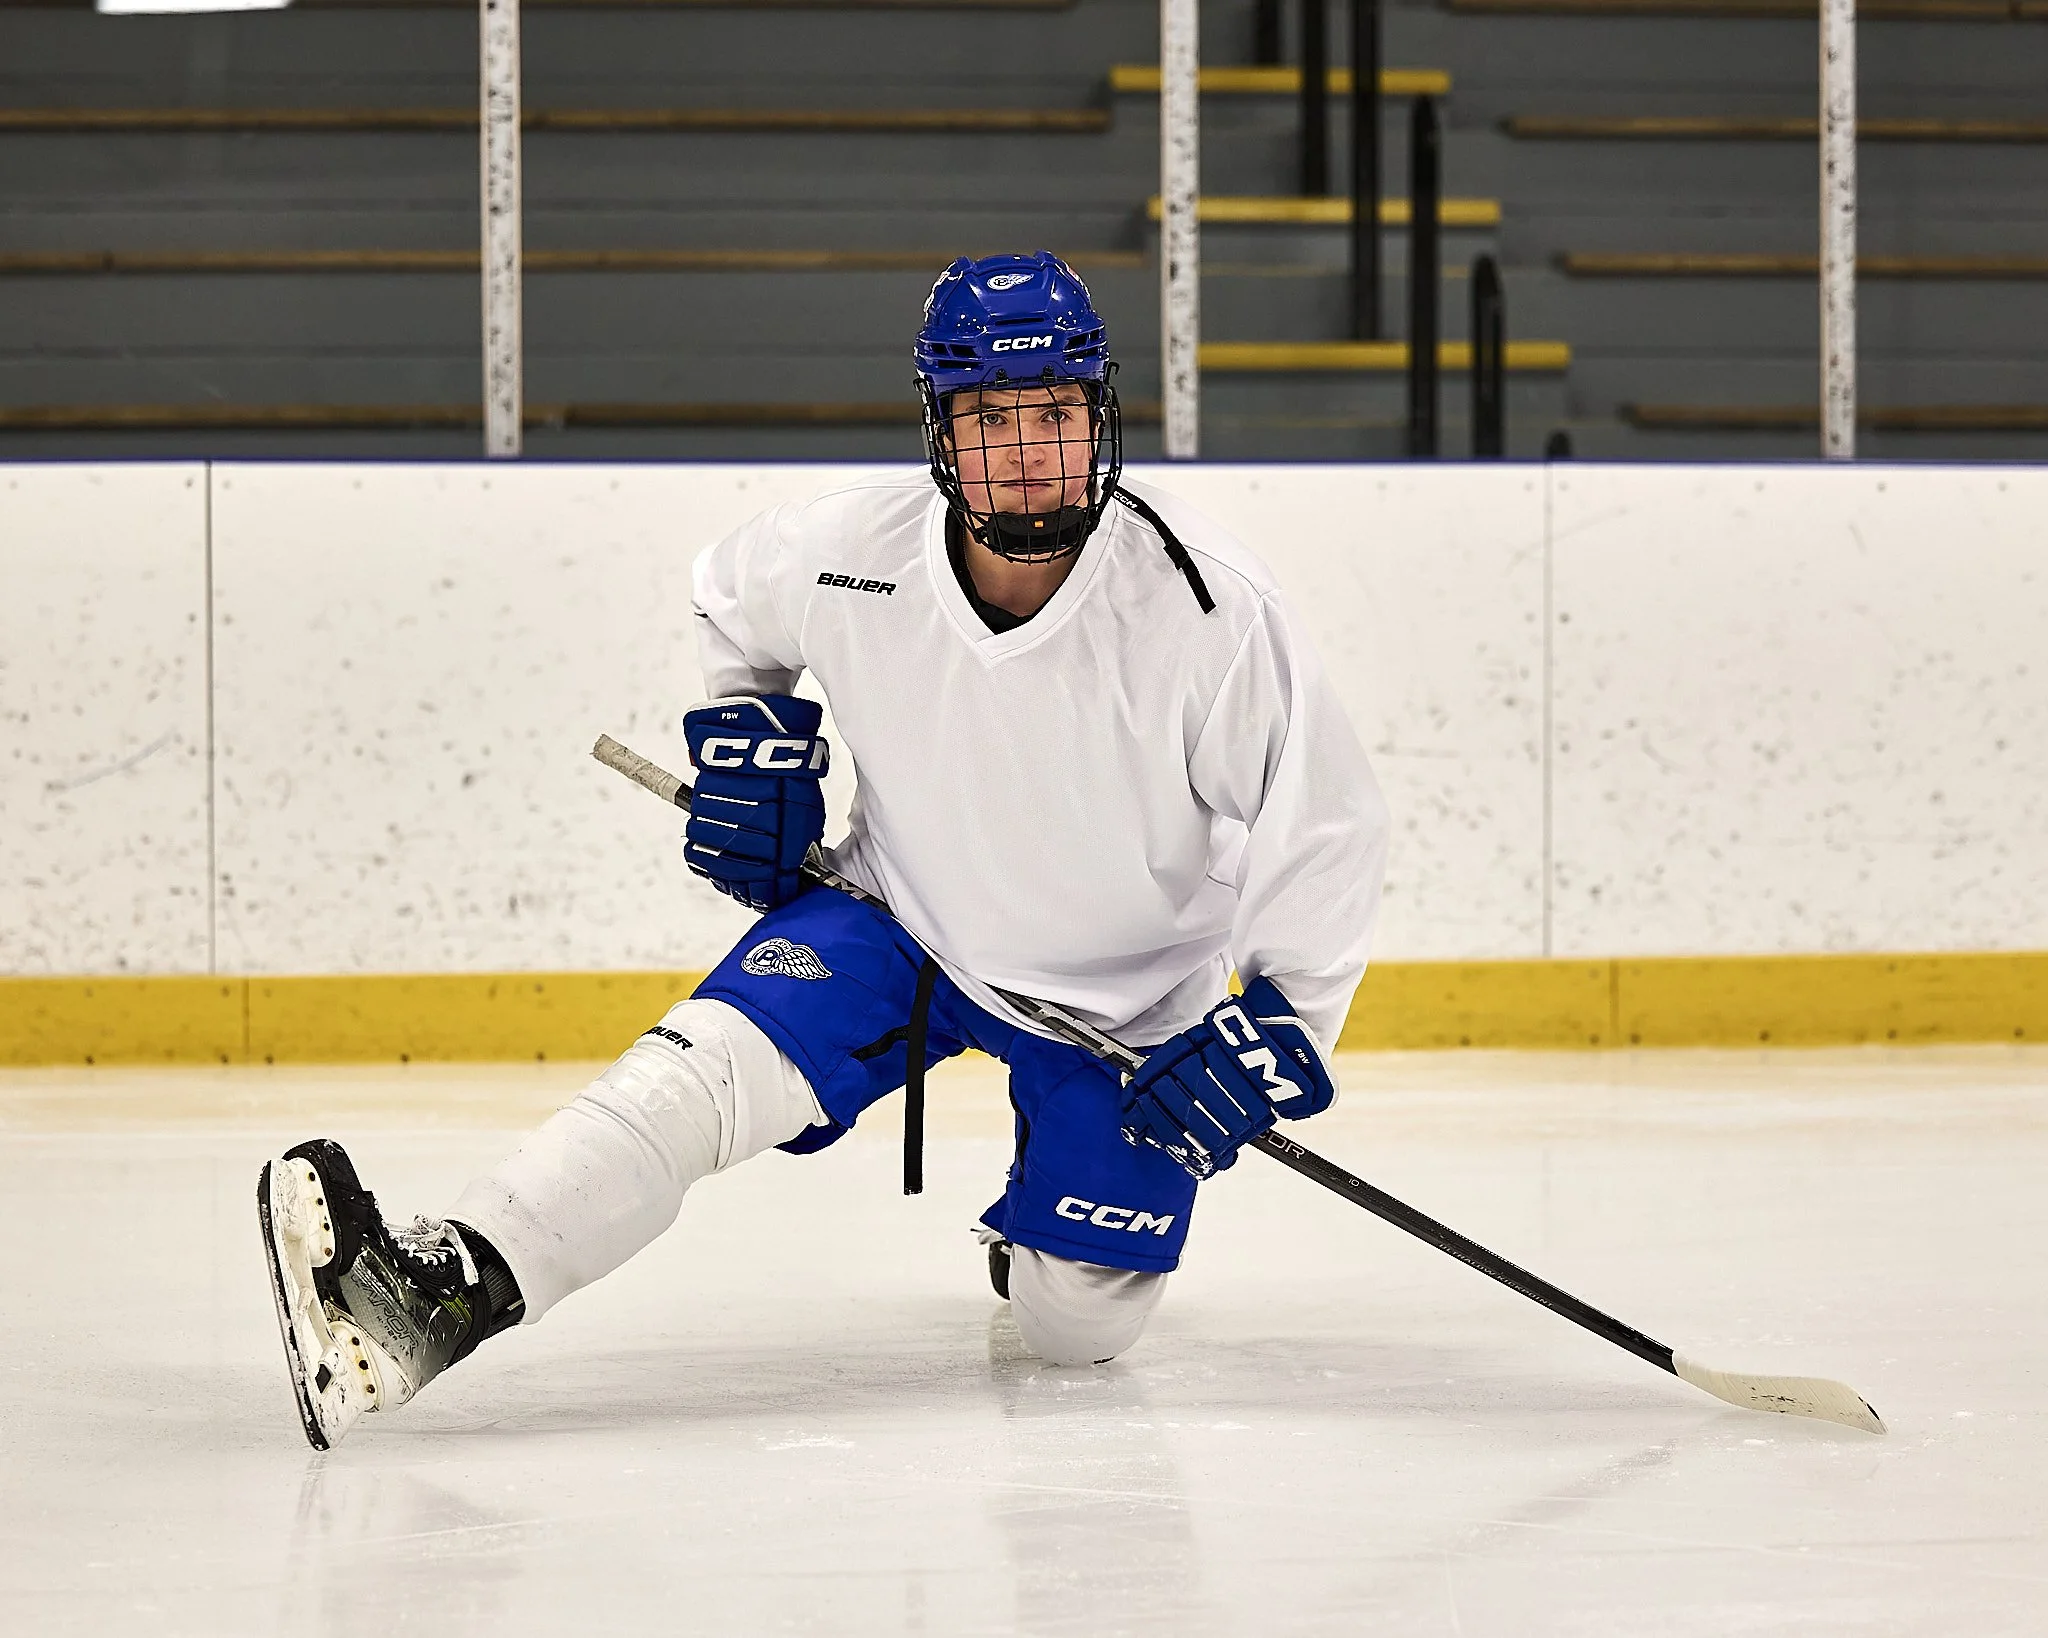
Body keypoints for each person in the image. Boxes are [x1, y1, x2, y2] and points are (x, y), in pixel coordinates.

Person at [257, 251, 1389, 1451]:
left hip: (1122, 999)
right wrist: (752, 737)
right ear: (939, 431)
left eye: (1052, 411)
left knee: (1077, 1333)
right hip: (899, 923)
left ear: (1098, 417)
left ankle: (1044, 1195)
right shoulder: (849, 549)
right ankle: (427, 1293)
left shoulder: (1207, 610)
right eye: (987, 417)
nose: (1023, 449)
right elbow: (726, 606)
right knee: (696, 1075)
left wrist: (1277, 1030)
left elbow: (1324, 824)